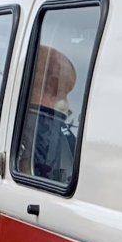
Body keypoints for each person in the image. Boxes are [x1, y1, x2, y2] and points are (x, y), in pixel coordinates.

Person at [19, 45, 77, 183]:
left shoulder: (10, 124)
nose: (67, 105)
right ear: (53, 84)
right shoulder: (46, 131)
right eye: (64, 93)